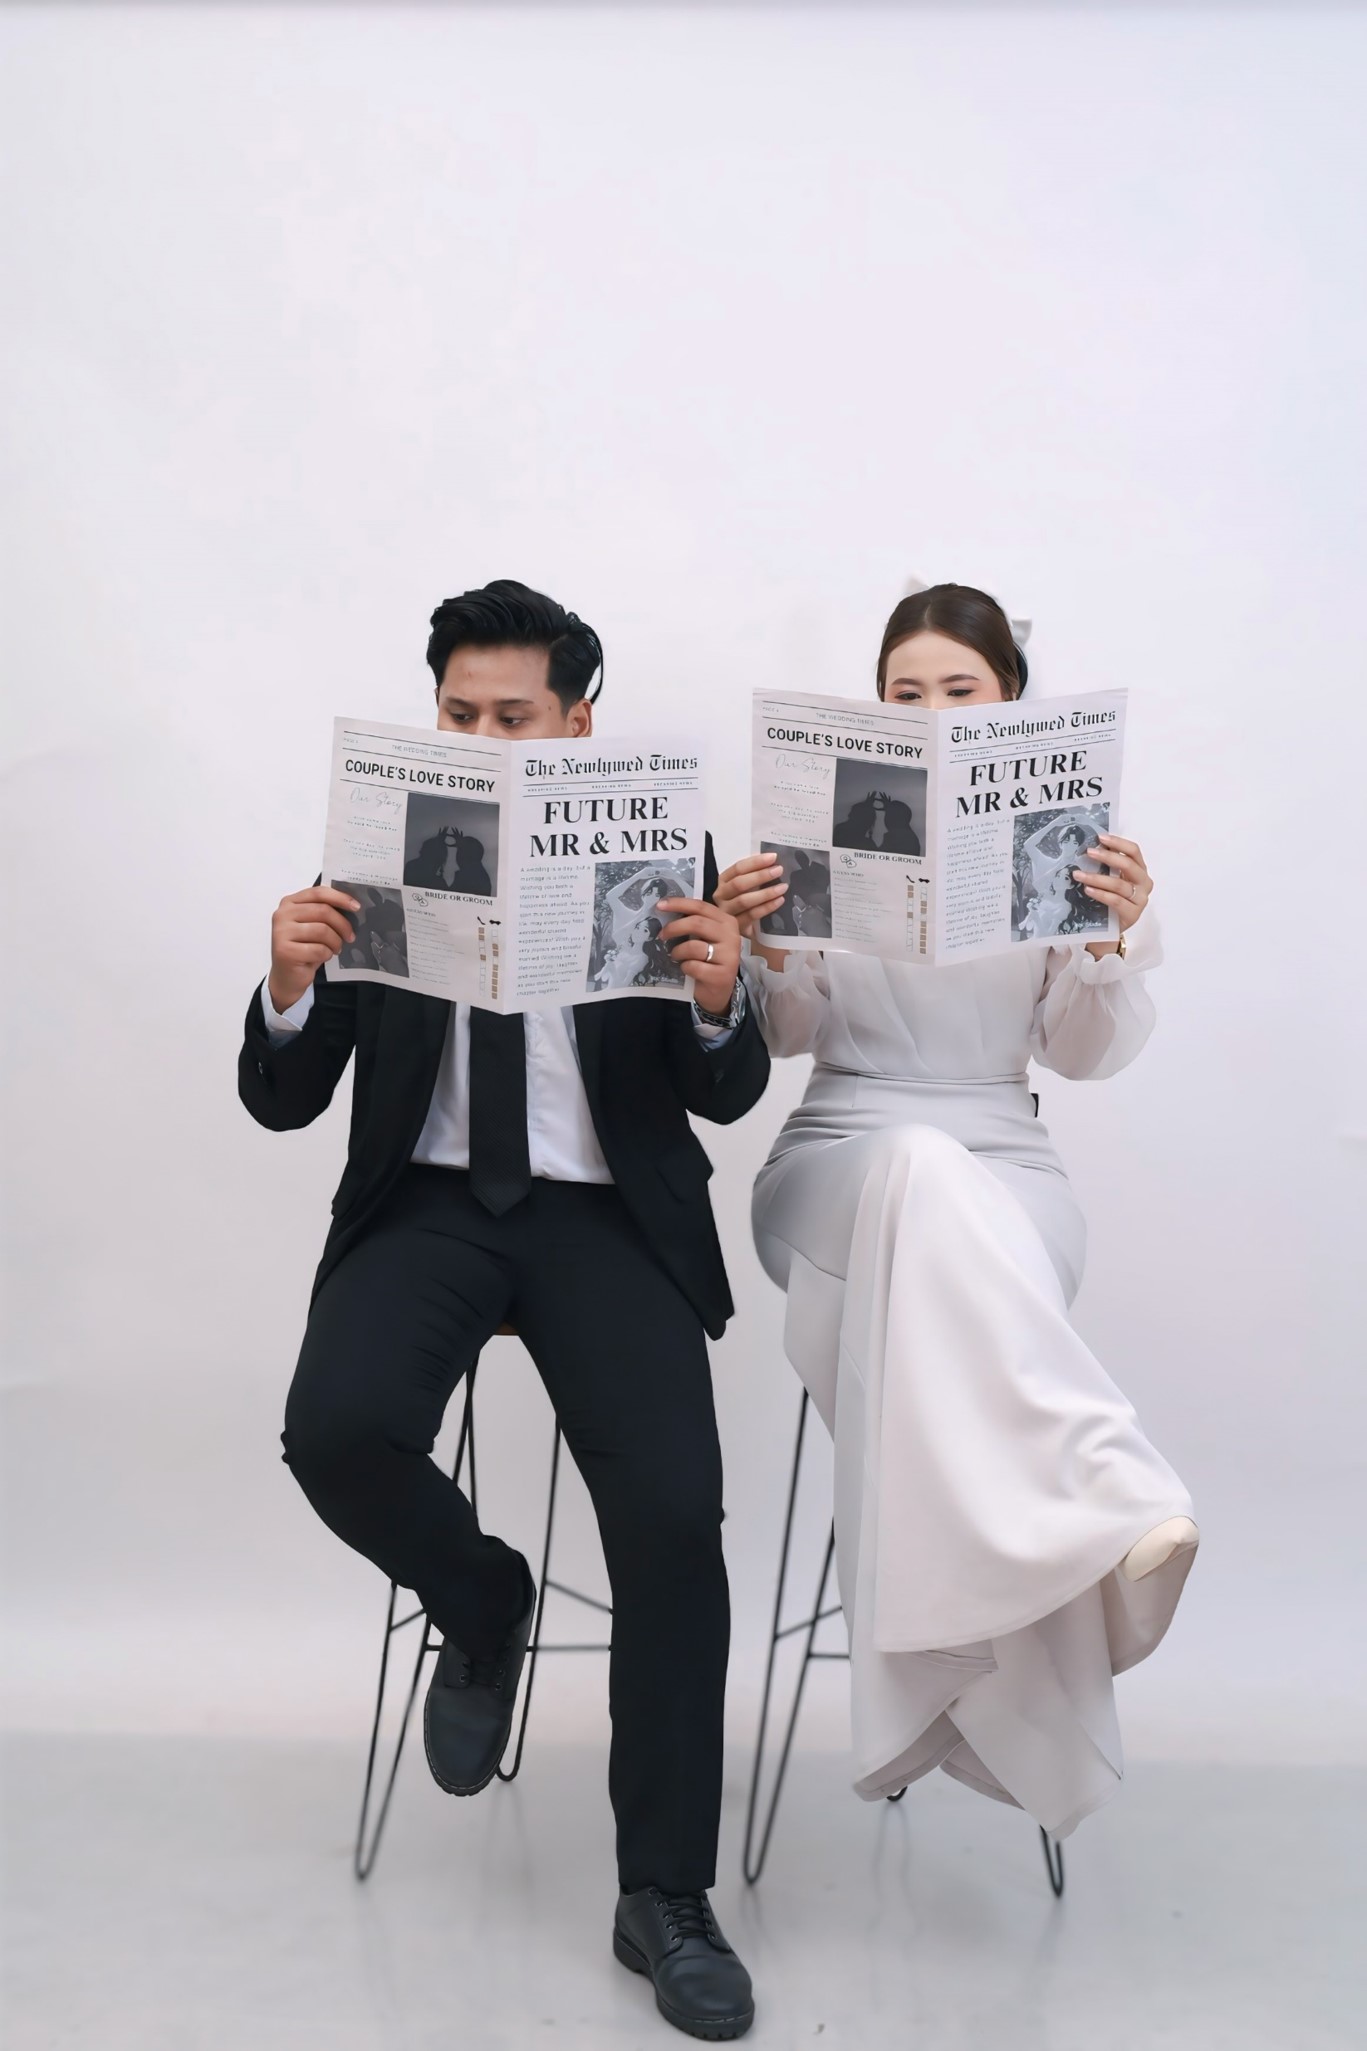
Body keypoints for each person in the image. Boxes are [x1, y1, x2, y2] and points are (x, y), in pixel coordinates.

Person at [239, 579, 766, 2040]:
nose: (480, 738)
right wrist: (288, 983)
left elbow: (724, 1091)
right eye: (457, 714)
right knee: (335, 1429)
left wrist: (719, 998)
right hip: (426, 1202)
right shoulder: (375, 850)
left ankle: (662, 1892)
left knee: (672, 1521)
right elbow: (284, 1099)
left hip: (606, 1216)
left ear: (576, 723)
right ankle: (481, 1598)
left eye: (511, 717)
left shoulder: (663, 850)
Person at [715, 582, 1198, 1844]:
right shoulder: (823, 824)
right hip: (835, 1152)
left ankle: (1034, 1564)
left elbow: (1081, 1056)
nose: (928, 711)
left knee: (939, 1175)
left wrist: (1111, 938)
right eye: (905, 692)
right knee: (911, 1164)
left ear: (1007, 703)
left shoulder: (1063, 838)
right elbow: (786, 1038)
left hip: (1008, 1158)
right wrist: (766, 941)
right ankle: (1103, 1482)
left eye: (957, 690)